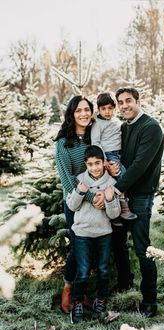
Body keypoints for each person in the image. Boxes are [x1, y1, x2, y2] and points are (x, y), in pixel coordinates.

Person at [108, 87, 164, 318]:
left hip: (140, 195)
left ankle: (150, 300)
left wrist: (115, 188)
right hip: (122, 194)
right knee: (118, 242)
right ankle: (124, 282)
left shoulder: (151, 127)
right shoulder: (125, 127)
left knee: (143, 248)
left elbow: (140, 165)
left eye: (128, 101)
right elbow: (123, 159)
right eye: (120, 102)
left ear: (138, 101)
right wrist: (112, 167)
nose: (124, 106)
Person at [54, 95, 104, 314]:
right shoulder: (63, 143)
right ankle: (68, 287)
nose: (84, 114)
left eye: (87, 109)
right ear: (71, 114)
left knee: (94, 245)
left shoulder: (95, 138)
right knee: (78, 245)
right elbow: (67, 180)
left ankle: (82, 291)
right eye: (78, 110)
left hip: (100, 200)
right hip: (76, 203)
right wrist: (92, 198)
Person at [66, 145, 121, 323]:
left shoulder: (111, 183)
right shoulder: (79, 180)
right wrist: (80, 191)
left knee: (103, 270)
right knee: (82, 271)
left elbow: (114, 214)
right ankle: (77, 303)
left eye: (98, 163)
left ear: (104, 162)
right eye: (90, 164)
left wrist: (111, 198)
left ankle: (101, 299)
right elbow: (72, 206)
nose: (95, 168)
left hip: (103, 233)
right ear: (85, 164)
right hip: (82, 233)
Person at [91, 92, 137, 222]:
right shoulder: (97, 124)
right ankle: (123, 205)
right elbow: (96, 143)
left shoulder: (117, 121)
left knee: (114, 181)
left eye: (110, 108)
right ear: (98, 109)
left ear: (114, 108)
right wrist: (104, 160)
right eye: (103, 109)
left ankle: (113, 211)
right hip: (109, 154)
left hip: (119, 153)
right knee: (123, 176)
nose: (107, 112)